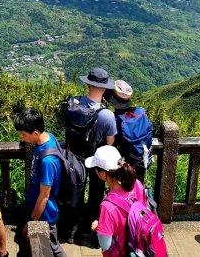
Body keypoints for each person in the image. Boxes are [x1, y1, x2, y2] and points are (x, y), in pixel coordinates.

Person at [64, 67, 117, 246]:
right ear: (106, 88)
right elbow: (110, 144)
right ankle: (86, 234)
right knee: (95, 196)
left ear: (87, 84)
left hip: (74, 158)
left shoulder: (73, 103)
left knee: (75, 193)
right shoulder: (107, 116)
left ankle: (71, 232)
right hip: (96, 162)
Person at [14, 108, 67, 257]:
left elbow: (44, 196)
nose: (22, 137)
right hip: (34, 205)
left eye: (24, 134)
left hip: (44, 213)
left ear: (35, 133)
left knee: (49, 249)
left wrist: (32, 221)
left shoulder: (48, 161)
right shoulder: (47, 137)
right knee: (24, 241)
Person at [85, 145, 147, 257]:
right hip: (140, 249)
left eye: (96, 169)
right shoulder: (137, 184)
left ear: (103, 174)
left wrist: (97, 228)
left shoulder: (107, 206)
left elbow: (105, 244)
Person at [104, 79, 153, 183]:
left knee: (125, 191)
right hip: (141, 161)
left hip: (125, 164)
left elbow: (112, 142)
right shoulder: (141, 111)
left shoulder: (116, 119)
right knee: (138, 187)